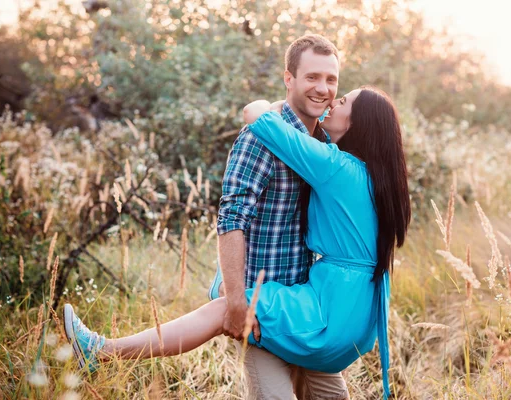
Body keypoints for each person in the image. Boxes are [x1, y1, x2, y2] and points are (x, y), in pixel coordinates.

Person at [63, 85, 411, 400]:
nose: (334, 102)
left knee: (228, 305)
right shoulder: (379, 178)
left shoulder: (335, 166)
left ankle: (103, 350)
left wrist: (288, 101)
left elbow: (255, 113)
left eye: (344, 101)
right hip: (358, 320)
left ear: (359, 123)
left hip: (329, 314)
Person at [210, 33, 349, 400]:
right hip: (261, 307)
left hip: (303, 310)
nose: (323, 88)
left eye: (331, 79)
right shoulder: (260, 137)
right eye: (312, 77)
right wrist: (238, 300)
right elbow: (231, 217)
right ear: (289, 79)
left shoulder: (326, 145)